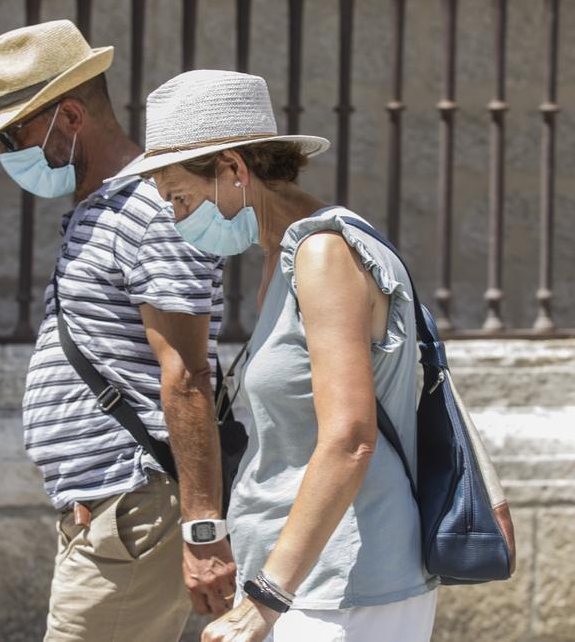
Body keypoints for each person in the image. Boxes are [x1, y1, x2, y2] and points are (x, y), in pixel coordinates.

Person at [116, 69, 437, 642]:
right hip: (305, 580)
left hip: (341, 585)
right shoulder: (284, 258)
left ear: (235, 170)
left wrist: (265, 601)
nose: (176, 217)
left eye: (182, 197)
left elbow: (349, 438)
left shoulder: (322, 253)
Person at [0, 22, 237, 642]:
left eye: (14, 134)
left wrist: (203, 530)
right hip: (114, 511)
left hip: (135, 503)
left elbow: (188, 372)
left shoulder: (147, 211)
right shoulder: (106, 211)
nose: (8, 153)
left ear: (69, 117)